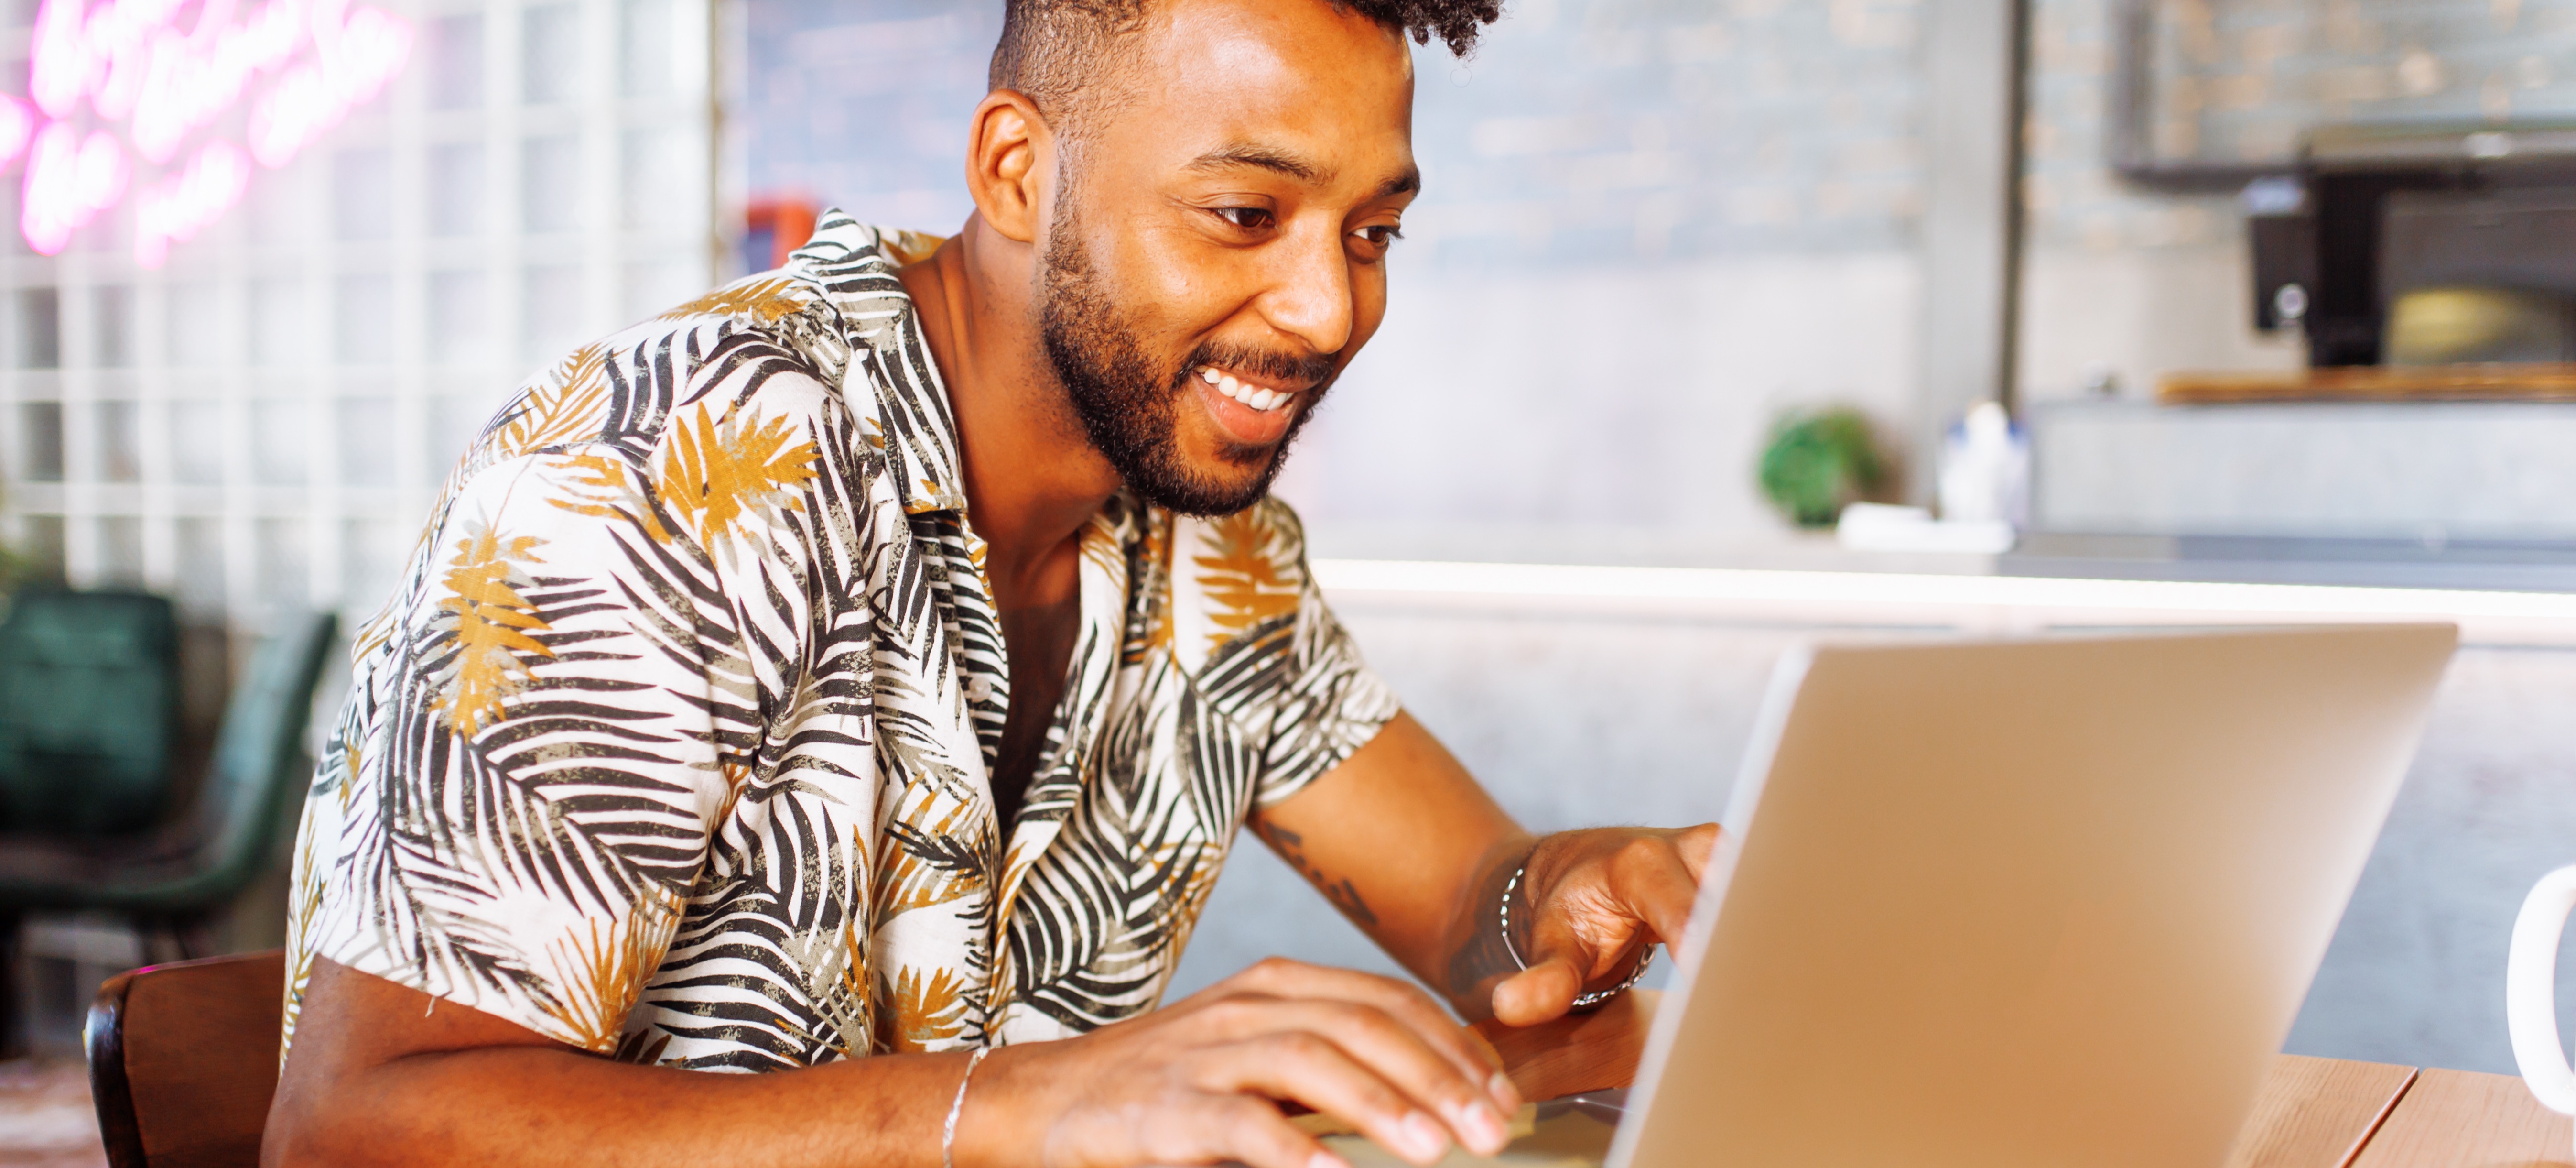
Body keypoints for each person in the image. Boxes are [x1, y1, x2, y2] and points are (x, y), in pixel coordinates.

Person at [263, 1, 1719, 1165]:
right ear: (1018, 169)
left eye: (1372, 231)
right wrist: (1019, 1105)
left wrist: (1565, 896)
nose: (1331, 306)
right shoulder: (685, 457)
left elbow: (1470, 897)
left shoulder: (1201, 529)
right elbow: (354, 1129)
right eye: (1242, 214)